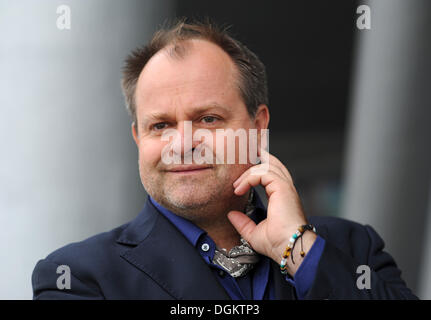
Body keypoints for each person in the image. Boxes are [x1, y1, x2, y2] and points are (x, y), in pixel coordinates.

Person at [32, 18, 417, 300]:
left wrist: (294, 247)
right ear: (138, 138)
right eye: (160, 125)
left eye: (208, 119)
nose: (182, 143)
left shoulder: (353, 249)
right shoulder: (78, 278)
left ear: (257, 125)